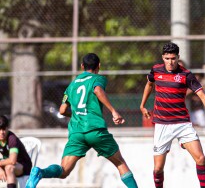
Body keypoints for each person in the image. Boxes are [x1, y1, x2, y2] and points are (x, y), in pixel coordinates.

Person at [26, 53, 138, 188]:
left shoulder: (72, 85)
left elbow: (62, 110)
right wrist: (114, 111)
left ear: (82, 66)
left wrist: (77, 113)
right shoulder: (98, 79)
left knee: (64, 170)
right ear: (99, 66)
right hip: (95, 129)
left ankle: (40, 172)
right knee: (120, 163)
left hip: (77, 132)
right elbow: (97, 90)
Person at [139, 42, 205, 188]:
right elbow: (149, 84)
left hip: (182, 123)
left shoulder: (186, 75)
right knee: (158, 168)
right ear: (162, 57)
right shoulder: (156, 70)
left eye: (173, 58)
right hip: (162, 124)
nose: (170, 62)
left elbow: (202, 95)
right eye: (167, 58)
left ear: (178, 57)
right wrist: (142, 105)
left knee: (200, 158)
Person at [0, 115, 32, 188]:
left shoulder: (12, 139)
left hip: (23, 166)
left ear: (8, 128)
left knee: (9, 167)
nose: (2, 132)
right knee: (8, 166)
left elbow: (12, 161)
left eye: (4, 129)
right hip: (6, 163)